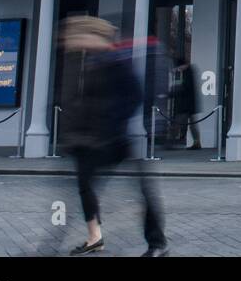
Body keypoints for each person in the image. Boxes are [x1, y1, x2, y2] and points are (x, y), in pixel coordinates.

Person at [58, 16, 168, 257]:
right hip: (91, 140)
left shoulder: (116, 61)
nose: (75, 42)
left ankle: (158, 244)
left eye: (79, 37)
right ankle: (94, 238)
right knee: (84, 186)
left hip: (115, 138)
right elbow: (81, 101)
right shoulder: (90, 62)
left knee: (142, 189)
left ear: (93, 36)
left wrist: (112, 122)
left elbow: (135, 95)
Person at [171, 58, 201, 149]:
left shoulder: (187, 73)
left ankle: (171, 141)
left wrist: (173, 92)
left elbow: (185, 88)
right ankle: (197, 142)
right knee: (192, 124)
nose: (179, 69)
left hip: (185, 105)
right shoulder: (190, 71)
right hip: (190, 104)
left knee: (177, 122)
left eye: (179, 67)